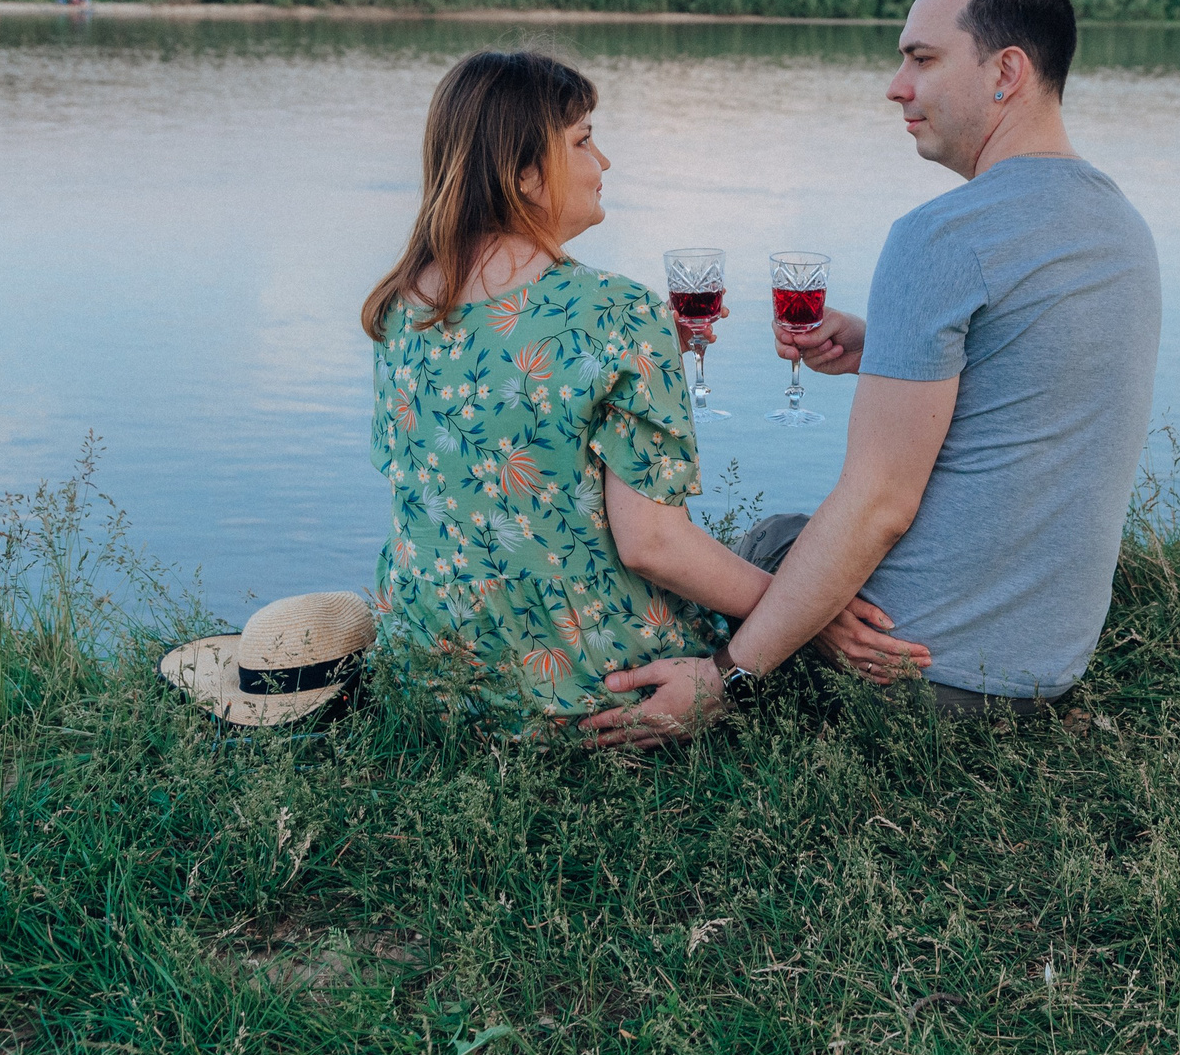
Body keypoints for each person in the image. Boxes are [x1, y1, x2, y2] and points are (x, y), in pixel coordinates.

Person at [587, 0, 1161, 744]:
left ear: (1006, 72)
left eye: (921, 58)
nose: (897, 86)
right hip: (1046, 667)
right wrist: (883, 347)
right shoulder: (1122, 225)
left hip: (917, 673)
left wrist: (727, 676)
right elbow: (1036, 379)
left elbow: (879, 505)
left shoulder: (942, 236)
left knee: (771, 541)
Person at [365, 48, 903, 745]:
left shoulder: (400, 306)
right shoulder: (617, 312)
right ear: (525, 175)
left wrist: (646, 354)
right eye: (584, 141)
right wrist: (802, 614)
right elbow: (652, 544)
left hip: (434, 680)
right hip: (588, 689)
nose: (604, 162)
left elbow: (490, 443)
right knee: (789, 547)